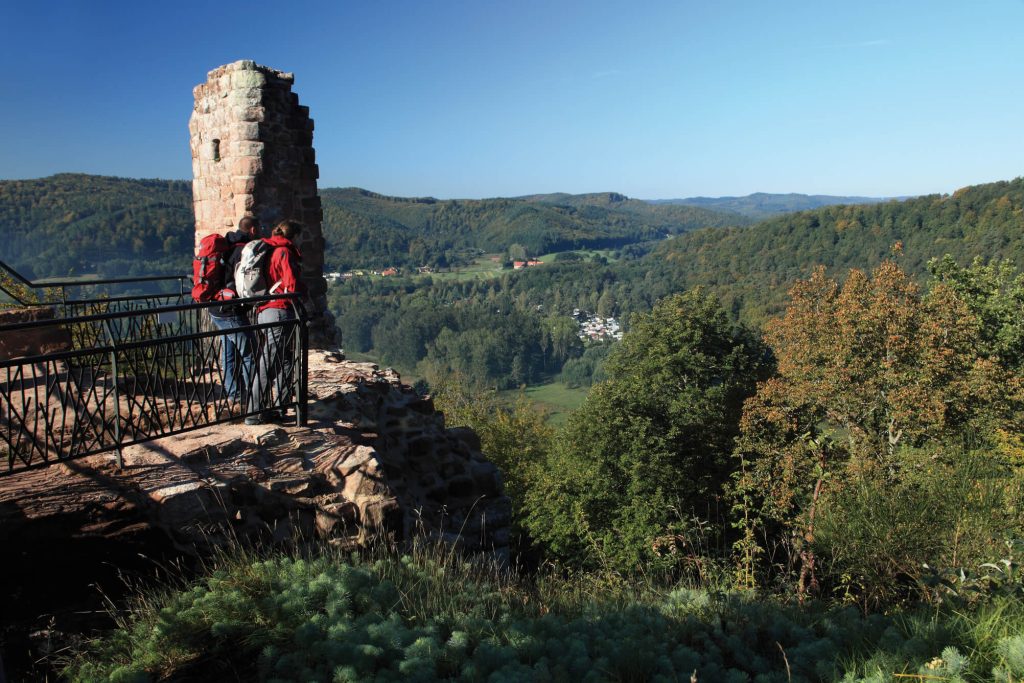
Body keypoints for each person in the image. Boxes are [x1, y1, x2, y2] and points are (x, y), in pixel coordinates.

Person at [245, 219, 304, 425]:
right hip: (279, 311)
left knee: (283, 359)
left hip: (264, 309)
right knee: (269, 361)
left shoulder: (270, 249)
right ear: (294, 236)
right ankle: (254, 411)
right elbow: (292, 284)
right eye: (300, 236)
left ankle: (280, 407)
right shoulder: (284, 252)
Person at [209, 216, 258, 404]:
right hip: (231, 310)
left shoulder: (226, 246)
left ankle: (234, 395)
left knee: (229, 353)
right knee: (250, 352)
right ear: (253, 230)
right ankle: (255, 397)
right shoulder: (244, 251)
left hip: (216, 307)